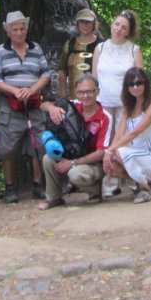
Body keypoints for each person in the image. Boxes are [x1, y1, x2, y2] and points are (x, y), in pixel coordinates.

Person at [0, 10, 64, 203]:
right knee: (7, 147)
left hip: (33, 103)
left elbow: (46, 74)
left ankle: (38, 184)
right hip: (9, 105)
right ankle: (10, 187)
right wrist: (14, 91)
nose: (19, 33)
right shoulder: (1, 51)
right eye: (15, 29)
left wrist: (31, 89)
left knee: (38, 144)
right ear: (8, 31)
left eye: (22, 28)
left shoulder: (35, 48)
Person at [37, 74, 112, 210]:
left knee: (75, 174)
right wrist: (52, 109)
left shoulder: (105, 117)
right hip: (71, 154)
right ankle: (54, 198)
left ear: (97, 92)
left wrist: (71, 163)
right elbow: (43, 105)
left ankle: (95, 192)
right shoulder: (72, 106)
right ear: (76, 93)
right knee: (48, 158)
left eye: (89, 91)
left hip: (94, 163)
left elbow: (101, 153)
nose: (85, 96)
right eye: (81, 92)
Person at [91, 9, 142, 197]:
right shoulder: (100, 48)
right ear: (111, 25)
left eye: (124, 27)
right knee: (106, 143)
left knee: (126, 142)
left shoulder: (133, 50)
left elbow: (139, 79)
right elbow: (95, 78)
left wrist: (137, 105)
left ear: (129, 31)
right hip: (103, 104)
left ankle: (134, 180)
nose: (119, 29)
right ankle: (110, 184)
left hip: (125, 105)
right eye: (117, 24)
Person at [103, 67, 151, 203]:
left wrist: (111, 150)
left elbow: (134, 132)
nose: (135, 87)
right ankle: (138, 185)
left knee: (119, 152)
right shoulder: (128, 107)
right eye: (131, 84)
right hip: (137, 154)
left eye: (139, 83)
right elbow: (120, 133)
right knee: (111, 165)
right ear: (126, 87)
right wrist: (108, 154)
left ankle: (145, 189)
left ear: (145, 84)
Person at [58, 8, 103, 99]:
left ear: (93, 24)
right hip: (73, 98)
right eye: (82, 21)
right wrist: (63, 95)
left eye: (88, 22)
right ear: (77, 24)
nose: (85, 25)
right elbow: (62, 70)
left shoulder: (101, 45)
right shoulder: (69, 44)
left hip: (96, 99)